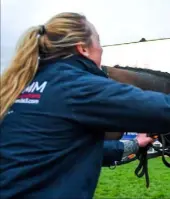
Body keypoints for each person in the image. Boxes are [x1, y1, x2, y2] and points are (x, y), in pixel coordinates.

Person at [0, 12, 170, 199]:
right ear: (83, 49)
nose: (101, 49)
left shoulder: (19, 86)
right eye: (98, 41)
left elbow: (67, 149)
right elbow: (162, 110)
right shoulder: (75, 85)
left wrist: (134, 144)